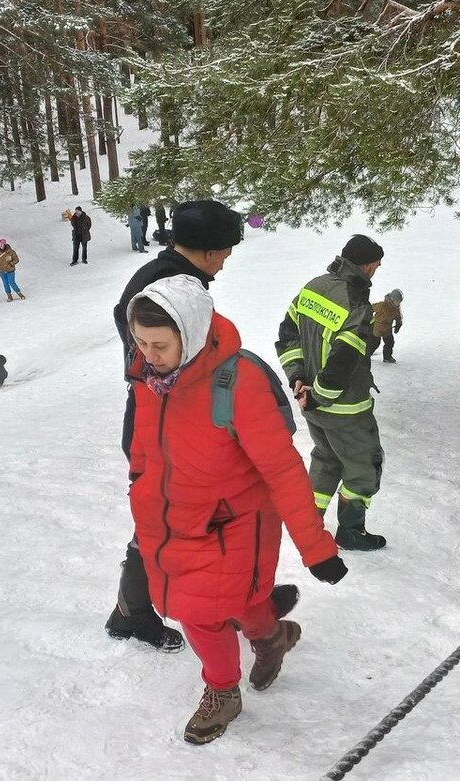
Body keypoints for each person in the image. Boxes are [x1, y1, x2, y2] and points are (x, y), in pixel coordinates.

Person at [125, 275, 347, 744]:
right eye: (140, 342)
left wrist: (316, 548)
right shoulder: (152, 377)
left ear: (191, 331)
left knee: (200, 612)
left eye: (159, 344)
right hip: (170, 521)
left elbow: (284, 472)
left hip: (234, 526)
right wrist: (141, 483)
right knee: (240, 600)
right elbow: (146, 441)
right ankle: (272, 637)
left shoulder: (237, 382)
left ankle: (222, 691)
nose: (149, 354)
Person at [107, 199, 282, 652]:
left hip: (166, 420)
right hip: (163, 425)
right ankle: (136, 611)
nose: (226, 259)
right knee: (167, 515)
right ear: (207, 251)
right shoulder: (175, 284)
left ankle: (220, 598)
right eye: (225, 250)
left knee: (183, 513)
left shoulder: (159, 273)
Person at [277, 234, 387, 550]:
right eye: (376, 266)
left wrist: (298, 379)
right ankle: (351, 532)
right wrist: (321, 395)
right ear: (366, 266)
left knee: (327, 458)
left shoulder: (313, 287)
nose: (376, 271)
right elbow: (344, 360)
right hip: (344, 408)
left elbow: (287, 335)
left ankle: (307, 521)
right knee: (363, 466)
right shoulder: (356, 303)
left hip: (312, 404)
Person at [372, 288, 404, 363]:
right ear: (392, 299)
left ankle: (387, 357)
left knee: (390, 342)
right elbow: (371, 308)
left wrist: (398, 325)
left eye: (399, 302)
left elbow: (398, 317)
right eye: (397, 301)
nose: (398, 303)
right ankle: (365, 355)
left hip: (387, 329)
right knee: (374, 343)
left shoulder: (396, 309)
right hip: (377, 328)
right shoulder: (382, 305)